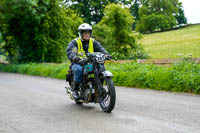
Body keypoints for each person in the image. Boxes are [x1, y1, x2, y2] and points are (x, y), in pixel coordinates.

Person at [67, 23, 110, 99]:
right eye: (85, 33)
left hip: (91, 62)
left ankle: (98, 89)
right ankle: (75, 90)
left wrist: (106, 55)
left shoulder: (93, 42)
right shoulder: (76, 42)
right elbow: (71, 52)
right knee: (78, 70)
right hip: (79, 63)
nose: (87, 35)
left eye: (88, 33)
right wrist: (74, 57)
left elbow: (101, 49)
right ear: (81, 33)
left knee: (101, 68)